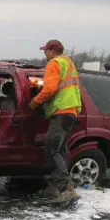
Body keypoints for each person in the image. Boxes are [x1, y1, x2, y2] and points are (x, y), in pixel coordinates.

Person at [28, 39, 82, 205]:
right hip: (71, 111)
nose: (45, 54)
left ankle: (67, 189)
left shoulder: (54, 64)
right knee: (60, 150)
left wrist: (34, 102)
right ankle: (56, 188)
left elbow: (50, 89)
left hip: (61, 110)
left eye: (46, 51)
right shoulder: (69, 64)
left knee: (51, 150)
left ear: (52, 51)